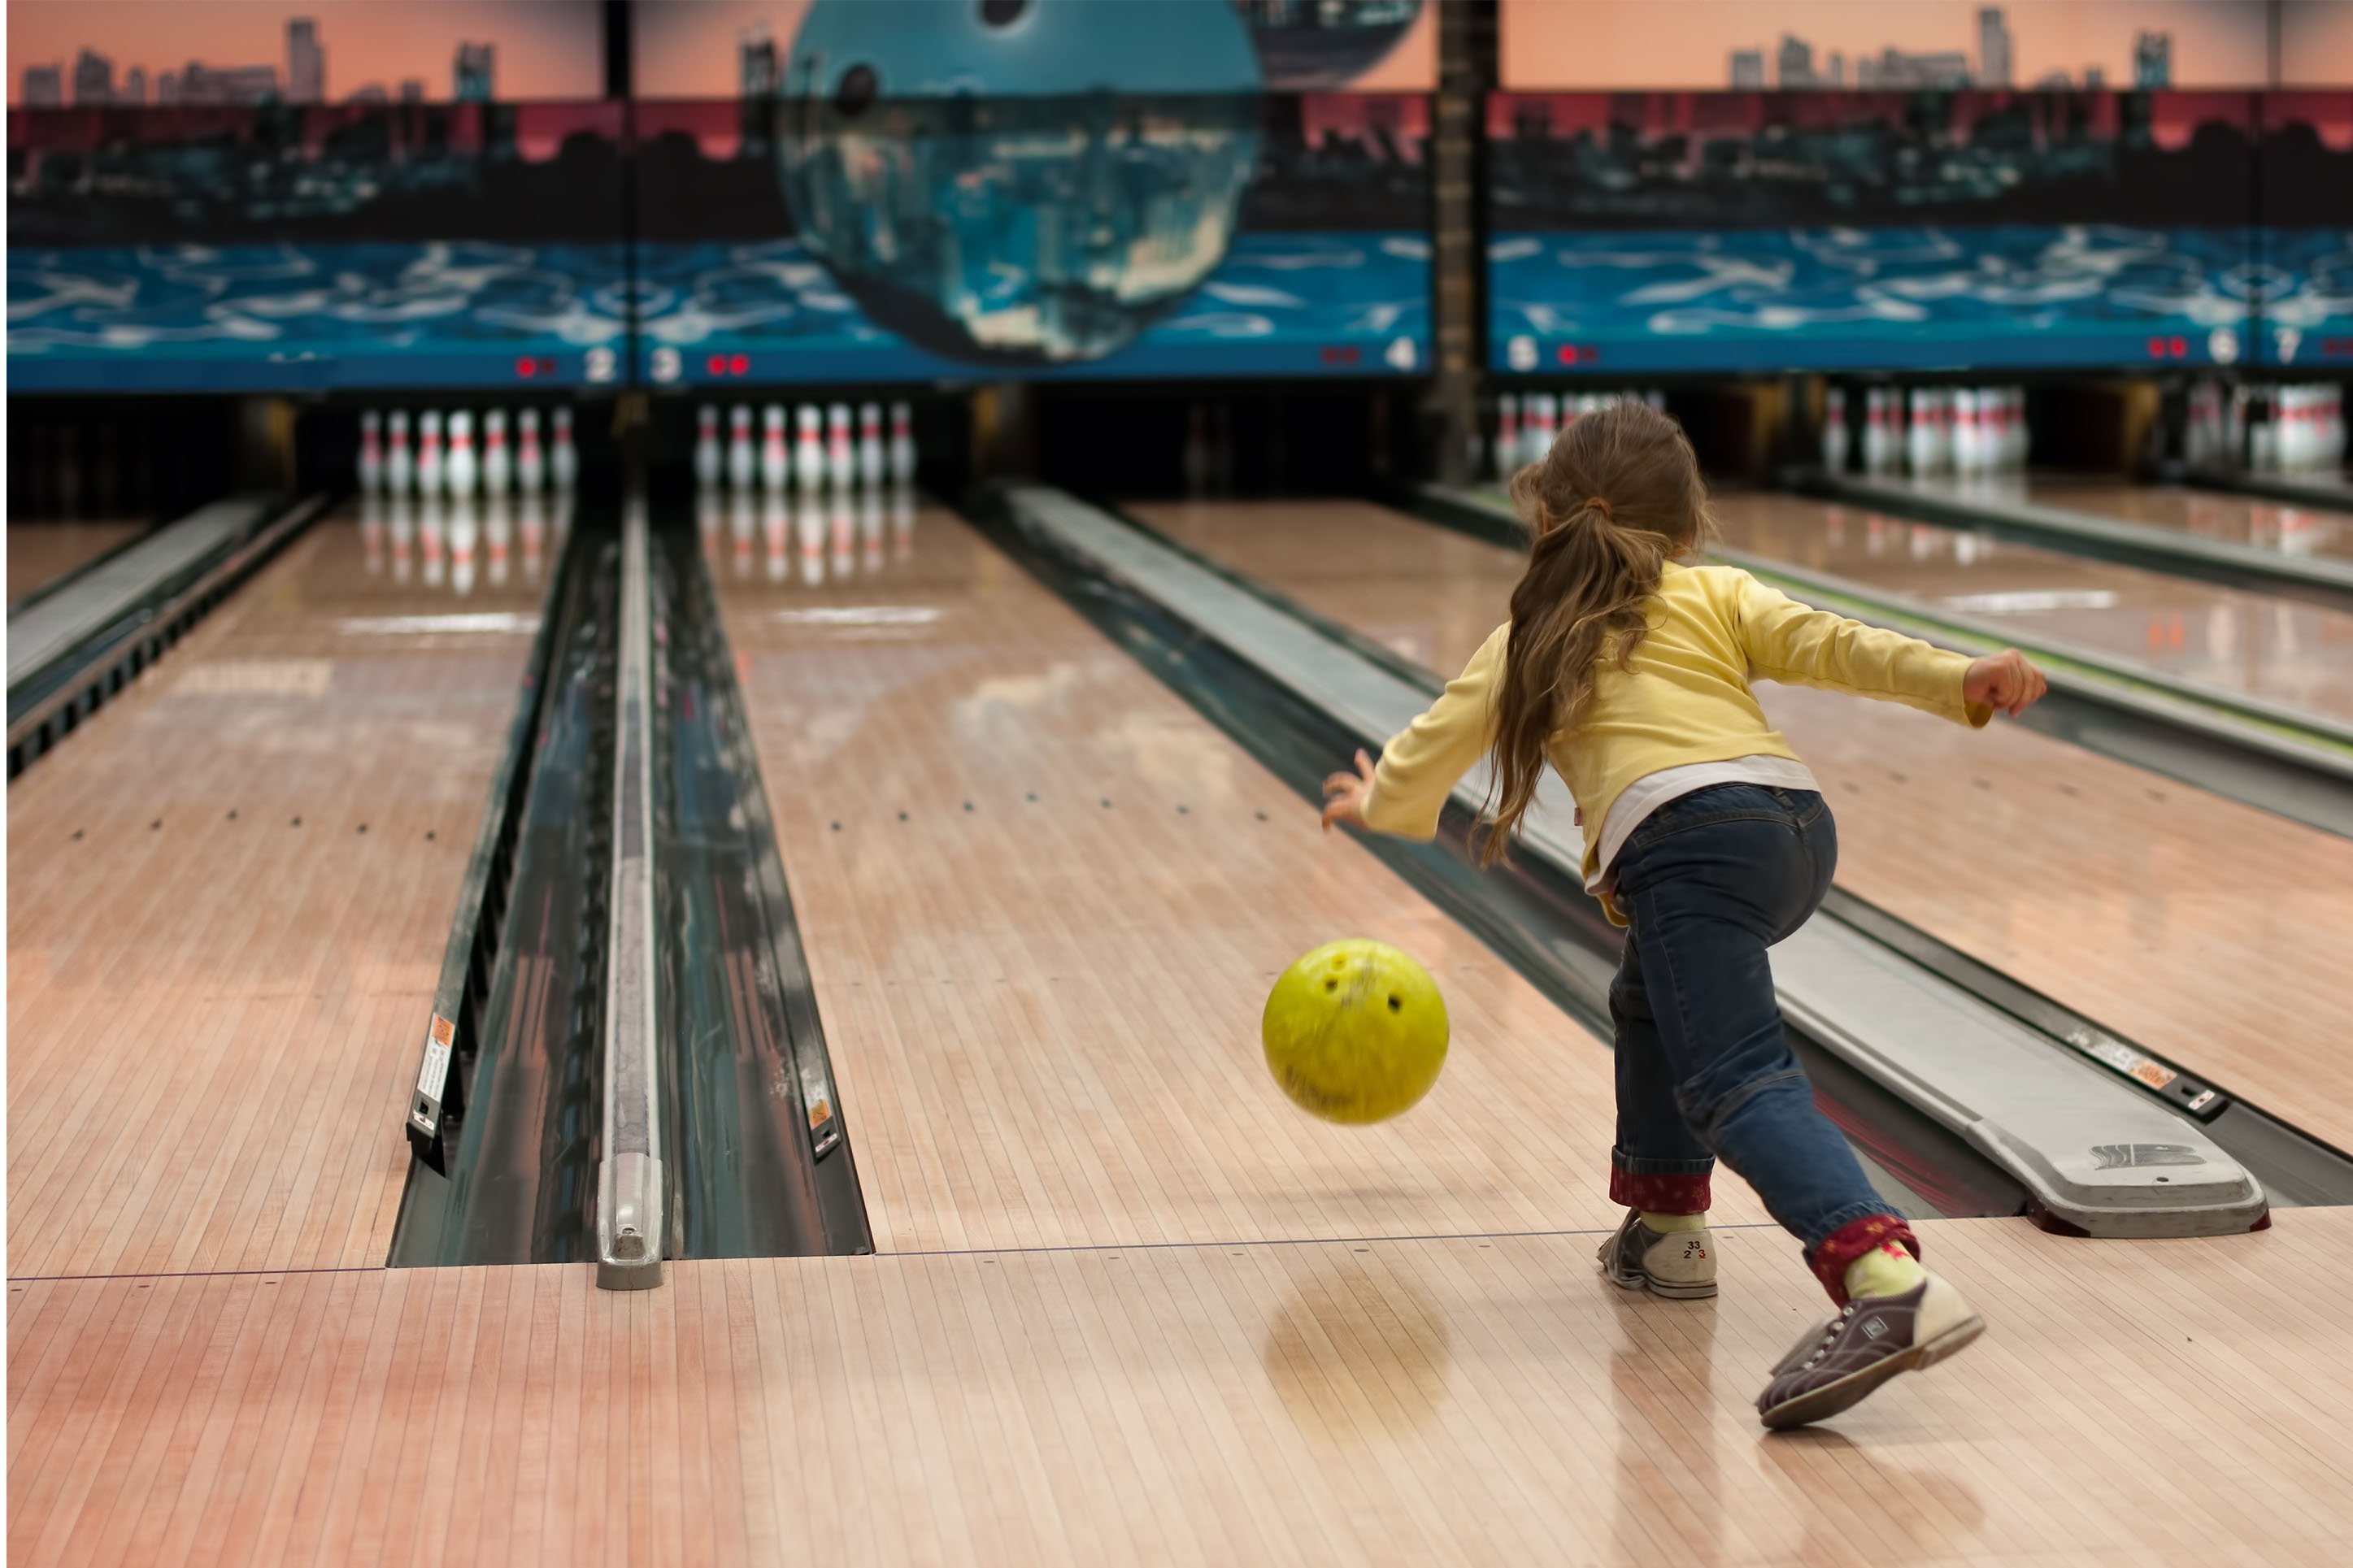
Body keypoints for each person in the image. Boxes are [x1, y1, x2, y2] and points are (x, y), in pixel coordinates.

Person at [1320, 401, 2046, 1429]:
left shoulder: (1528, 634)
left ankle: (1885, 1282)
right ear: (1689, 523)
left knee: (1737, 1075)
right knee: (1652, 1002)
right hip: (1792, 830)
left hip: (1685, 845)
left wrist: (1377, 802)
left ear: (1551, 518)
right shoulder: (1717, 592)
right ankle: (1666, 1228)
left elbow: (1431, 750)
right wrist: (1955, 678)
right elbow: (1834, 646)